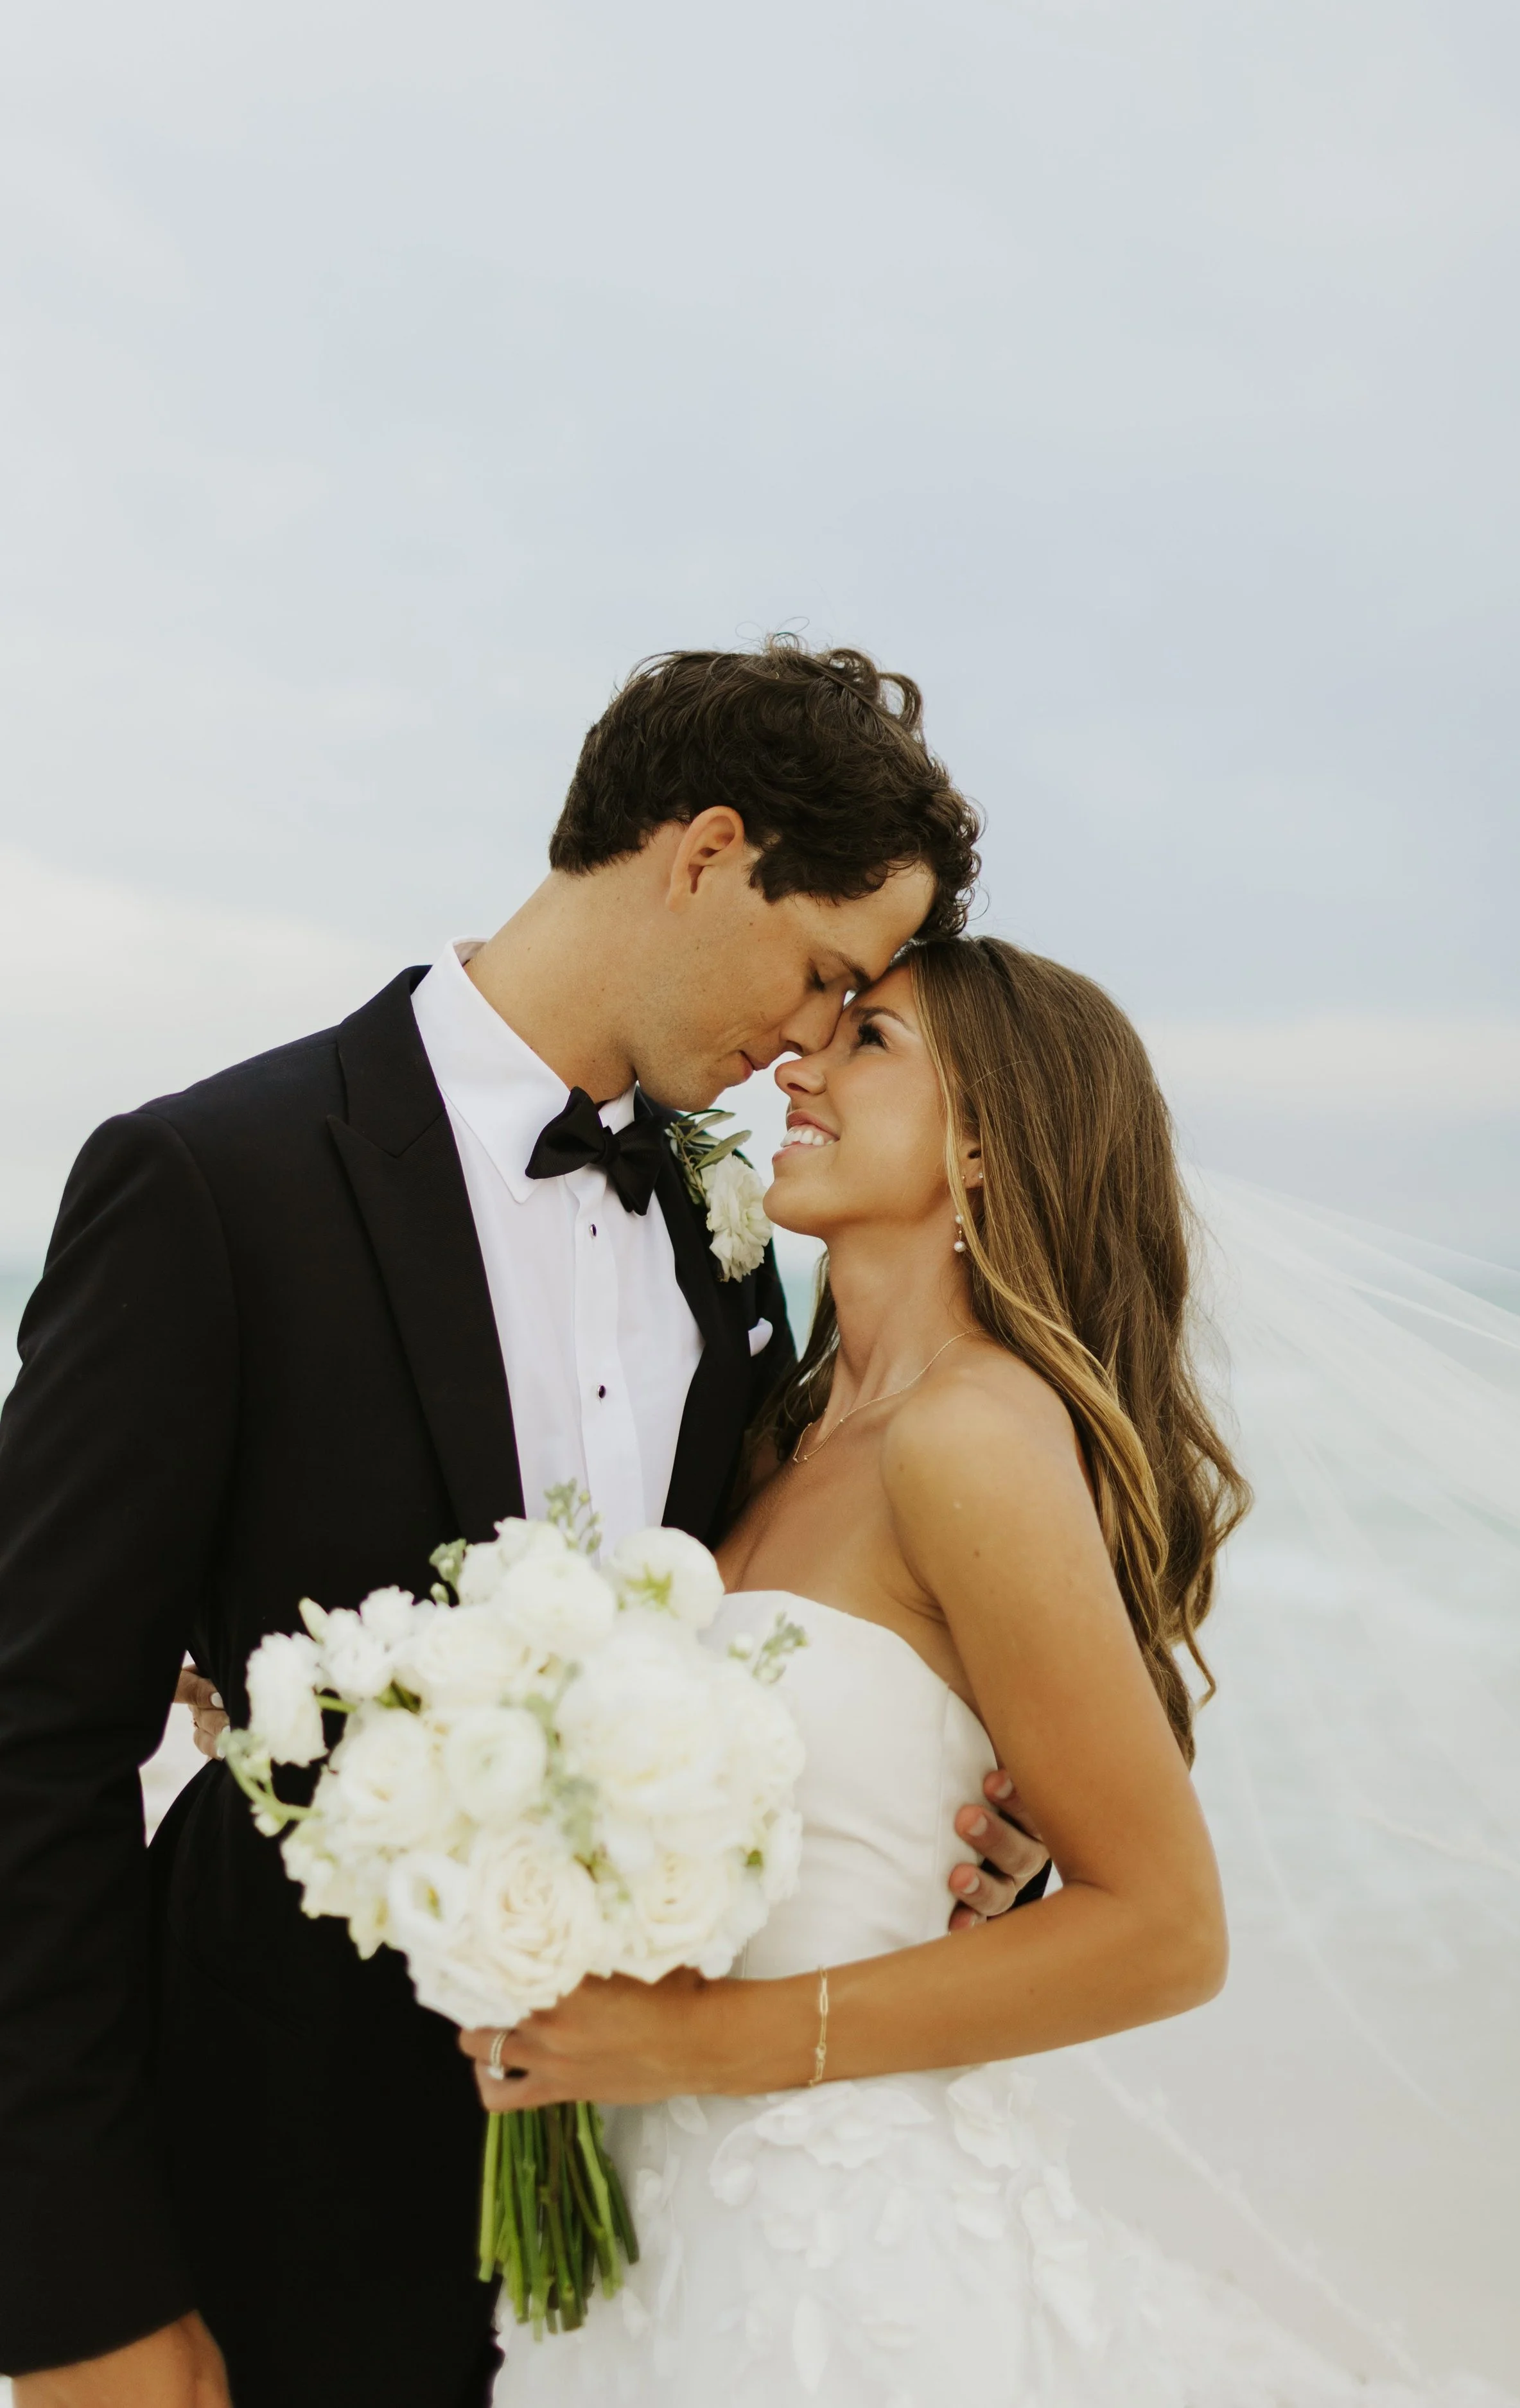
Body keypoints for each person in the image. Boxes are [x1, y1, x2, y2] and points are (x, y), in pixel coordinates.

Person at [0, 643, 1049, 2408]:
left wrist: (954, 1817)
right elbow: (33, 1744)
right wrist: (70, 2288)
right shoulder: (212, 1182)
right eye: (823, 971)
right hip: (261, 2178)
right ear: (707, 848)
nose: (807, 1040)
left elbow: (759, 1655)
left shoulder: (729, 1265)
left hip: (638, 2222)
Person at [475, 934, 1252, 2407]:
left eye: (869, 1041)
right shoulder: (772, 1434)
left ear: (984, 1143)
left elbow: (1165, 1929)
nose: (798, 1064)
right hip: (655, 2234)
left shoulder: (971, 1438)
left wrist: (698, 2043)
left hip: (842, 2261)